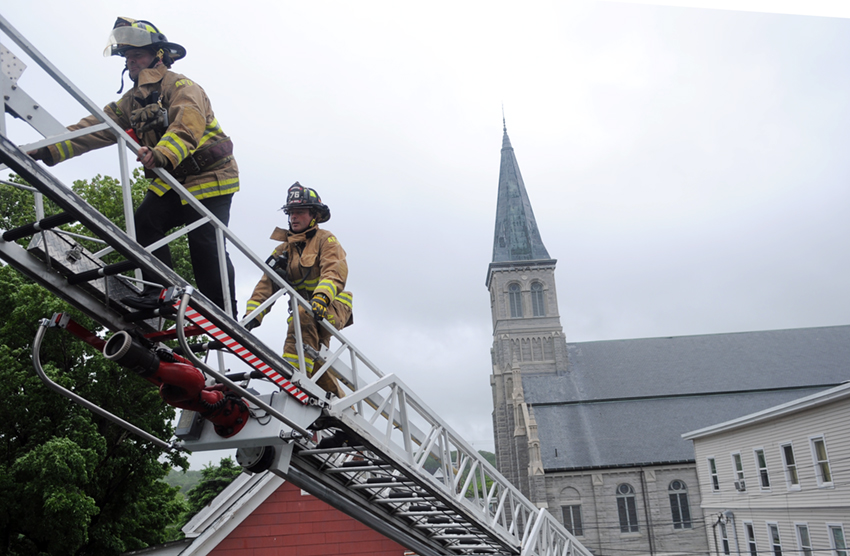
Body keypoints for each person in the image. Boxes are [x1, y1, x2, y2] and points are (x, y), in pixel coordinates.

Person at [29, 17, 238, 314]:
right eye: (127, 57)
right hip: (174, 179)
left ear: (158, 55)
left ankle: (224, 312)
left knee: (204, 240)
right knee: (144, 223)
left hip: (212, 175)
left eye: (137, 55)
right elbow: (93, 130)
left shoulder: (182, 86)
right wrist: (48, 148)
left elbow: (186, 125)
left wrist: (162, 153)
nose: (131, 62)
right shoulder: (130, 102)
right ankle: (161, 292)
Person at [244, 183, 353, 398]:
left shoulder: (326, 240)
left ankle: (294, 380)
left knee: (303, 322)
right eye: (291, 213)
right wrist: (252, 316)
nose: (294, 217)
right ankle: (333, 400)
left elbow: (334, 273)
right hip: (305, 312)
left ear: (314, 215)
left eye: (300, 212)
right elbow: (267, 283)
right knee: (318, 366)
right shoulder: (284, 248)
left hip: (332, 306)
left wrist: (321, 298)